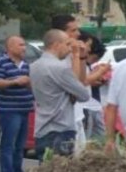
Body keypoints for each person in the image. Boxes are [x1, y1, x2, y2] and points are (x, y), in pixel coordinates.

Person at [30, 29, 92, 159]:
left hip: (42, 128)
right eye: (67, 44)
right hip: (60, 128)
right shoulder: (59, 68)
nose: (70, 49)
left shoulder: (34, 66)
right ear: (56, 45)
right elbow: (83, 95)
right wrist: (78, 57)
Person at [0, 35, 34, 172]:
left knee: (20, 145)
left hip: (25, 109)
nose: (24, 48)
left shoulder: (25, 64)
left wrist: (29, 85)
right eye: (21, 45)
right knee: (8, 144)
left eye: (24, 45)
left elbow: (30, 85)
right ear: (11, 47)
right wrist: (15, 81)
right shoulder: (0, 62)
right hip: (9, 110)